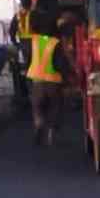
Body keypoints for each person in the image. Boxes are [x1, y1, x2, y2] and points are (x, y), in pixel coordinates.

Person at [26, 10, 74, 145]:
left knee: (37, 107)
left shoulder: (34, 41)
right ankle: (51, 134)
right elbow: (61, 61)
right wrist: (67, 75)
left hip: (37, 80)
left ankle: (39, 123)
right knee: (55, 106)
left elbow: (29, 59)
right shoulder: (56, 42)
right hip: (53, 80)